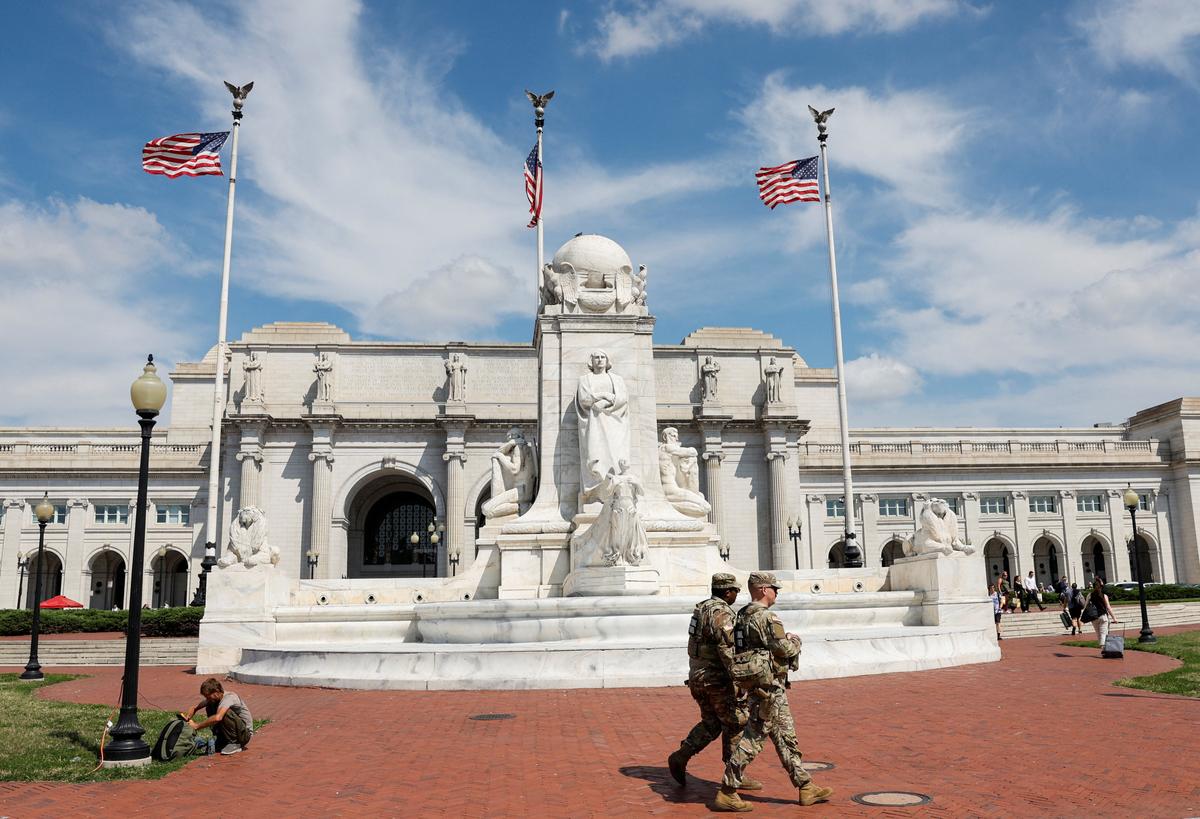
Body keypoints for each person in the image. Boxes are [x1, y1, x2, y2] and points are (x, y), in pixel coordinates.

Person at [713, 572, 833, 812]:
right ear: (761, 589)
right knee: (754, 737)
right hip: (769, 688)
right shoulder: (767, 617)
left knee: (785, 737)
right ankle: (727, 789)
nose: (776, 592)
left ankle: (805, 785)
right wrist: (795, 640)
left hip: (758, 684)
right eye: (773, 588)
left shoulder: (741, 615)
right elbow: (783, 648)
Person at [669, 573, 760, 791]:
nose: (737, 595)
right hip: (716, 680)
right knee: (736, 721)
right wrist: (740, 679)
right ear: (727, 592)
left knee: (712, 723)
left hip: (698, 677)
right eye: (735, 591)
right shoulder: (722, 613)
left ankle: (681, 756)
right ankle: (734, 773)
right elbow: (727, 650)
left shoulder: (702, 609)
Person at [184, 678, 253, 755]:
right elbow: (194, 708)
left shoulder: (229, 698)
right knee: (210, 705)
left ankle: (234, 743)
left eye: (208, 696)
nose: (207, 699)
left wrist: (197, 726)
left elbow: (218, 718)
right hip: (232, 732)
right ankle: (221, 740)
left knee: (224, 712)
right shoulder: (213, 699)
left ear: (216, 691)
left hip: (244, 735)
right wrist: (188, 717)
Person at [1084, 577, 1118, 654]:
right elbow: (1108, 607)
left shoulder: (1090, 595)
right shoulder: (1104, 595)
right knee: (1104, 633)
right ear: (1101, 587)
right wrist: (1114, 618)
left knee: (1098, 634)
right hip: (1103, 616)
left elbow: (1085, 606)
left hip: (1094, 617)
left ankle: (1103, 648)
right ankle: (1103, 649)